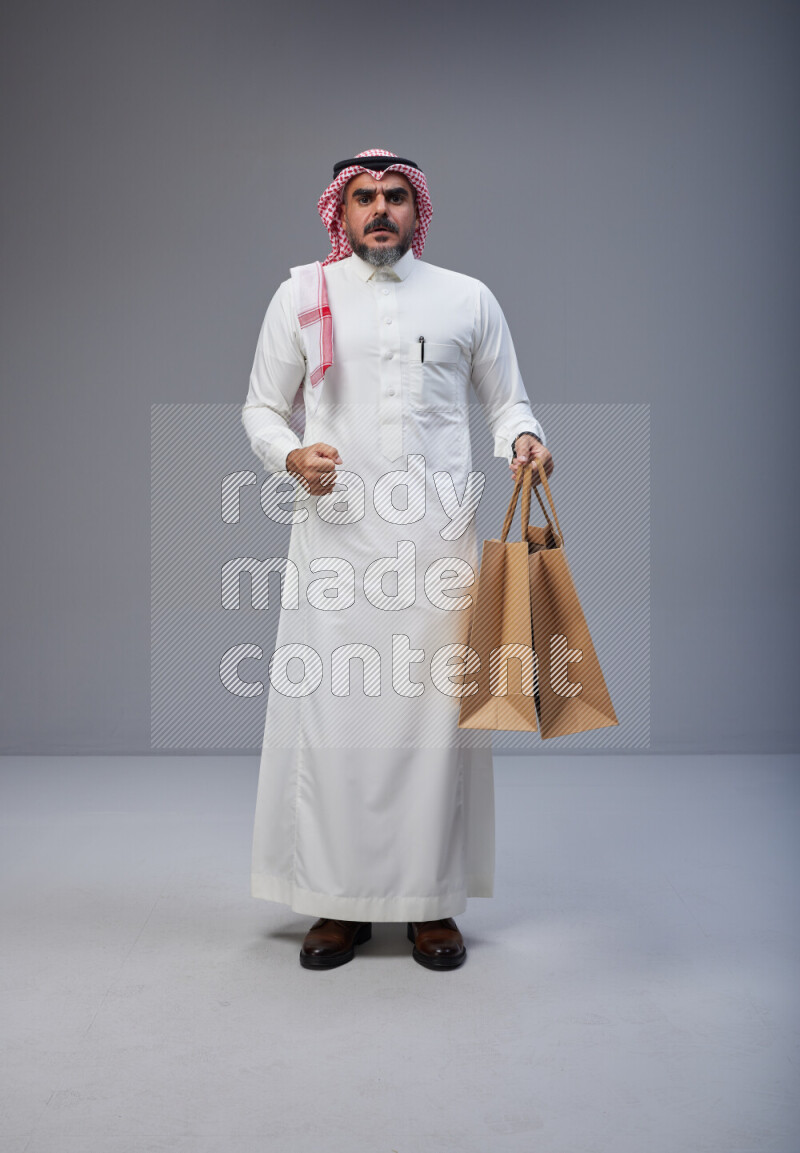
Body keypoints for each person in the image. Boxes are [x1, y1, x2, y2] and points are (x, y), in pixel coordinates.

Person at [241, 149, 553, 971]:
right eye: (362, 197)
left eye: (393, 196)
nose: (379, 209)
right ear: (339, 212)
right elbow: (262, 407)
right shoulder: (303, 296)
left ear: (417, 209)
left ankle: (429, 903)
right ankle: (336, 904)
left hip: (438, 547)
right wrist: (289, 455)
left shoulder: (466, 298)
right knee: (335, 720)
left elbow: (508, 401)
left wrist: (525, 439)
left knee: (435, 726)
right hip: (337, 542)